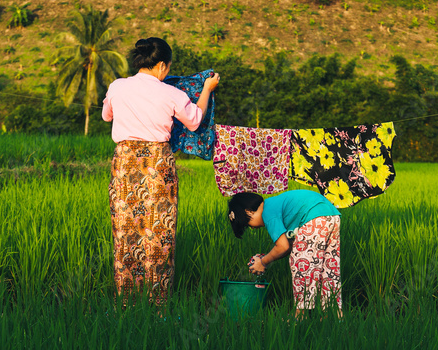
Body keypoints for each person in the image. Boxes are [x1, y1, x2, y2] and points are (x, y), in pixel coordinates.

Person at [102, 37, 219, 306]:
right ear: (162, 66)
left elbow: (107, 116)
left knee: (126, 230)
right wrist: (207, 89)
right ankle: (157, 303)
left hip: (125, 162)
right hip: (158, 163)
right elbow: (195, 122)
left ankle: (127, 301)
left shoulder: (117, 86)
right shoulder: (172, 93)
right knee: (159, 233)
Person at [228, 189, 342, 317]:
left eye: (247, 224)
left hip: (313, 217)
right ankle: (333, 313)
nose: (252, 228)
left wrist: (263, 262)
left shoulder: (267, 212)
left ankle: (300, 315)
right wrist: (266, 257)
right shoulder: (275, 204)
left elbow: (282, 247)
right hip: (331, 214)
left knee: (300, 262)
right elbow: (289, 245)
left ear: (248, 212)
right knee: (328, 266)